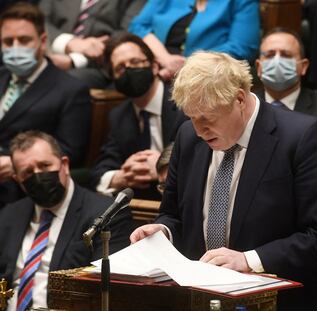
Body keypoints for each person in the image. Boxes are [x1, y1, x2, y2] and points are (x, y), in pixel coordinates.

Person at [130, 51, 317, 311]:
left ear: (239, 99)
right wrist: (162, 232)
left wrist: (249, 260)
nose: (200, 131)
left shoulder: (304, 137)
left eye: (207, 118)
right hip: (200, 298)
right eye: (192, 118)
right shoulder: (188, 137)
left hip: (281, 302)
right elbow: (173, 214)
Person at [0, 130, 133, 311]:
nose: (38, 175)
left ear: (64, 164)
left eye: (45, 165)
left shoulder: (105, 215)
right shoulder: (9, 215)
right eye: (28, 172)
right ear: (17, 180)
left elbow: (107, 293)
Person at [0, 2, 91, 208]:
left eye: (24, 40)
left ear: (42, 41)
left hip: (23, 191)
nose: (15, 48)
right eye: (8, 41)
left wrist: (13, 164)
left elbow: (69, 151)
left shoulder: (70, 89)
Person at [90, 33, 184, 200]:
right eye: (120, 68)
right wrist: (123, 177)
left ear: (155, 66)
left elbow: (203, 154)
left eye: (135, 62)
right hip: (143, 206)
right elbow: (100, 171)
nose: (129, 70)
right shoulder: (119, 116)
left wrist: (162, 165)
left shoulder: (184, 102)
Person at [128, 0, 260, 81]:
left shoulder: (241, 2)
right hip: (158, 69)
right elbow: (138, 26)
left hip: (209, 76)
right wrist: (165, 59)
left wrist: (189, 65)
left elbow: (243, 47)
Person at [255, 27, 317, 143]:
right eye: (270, 55)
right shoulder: (242, 108)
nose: (277, 61)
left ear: (303, 66)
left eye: (286, 55)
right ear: (258, 67)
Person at [38, 0, 147, 88]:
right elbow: (38, 21)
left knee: (63, 80)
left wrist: (74, 60)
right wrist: (68, 42)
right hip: (49, 53)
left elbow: (126, 36)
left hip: (99, 65)